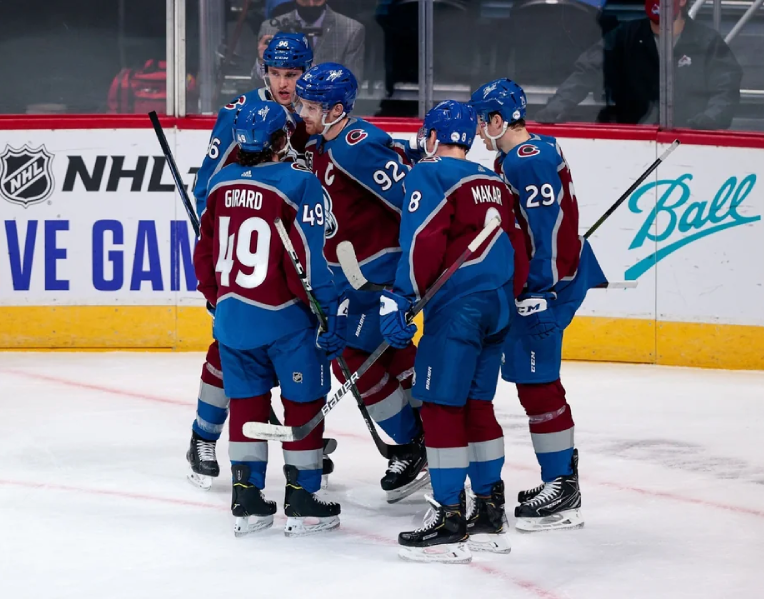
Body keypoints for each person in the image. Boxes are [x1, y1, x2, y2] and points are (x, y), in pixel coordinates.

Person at [380, 100, 529, 564]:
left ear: (432, 136)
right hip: (499, 305)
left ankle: (448, 516)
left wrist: (400, 296)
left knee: (442, 406)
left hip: (459, 310)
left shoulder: (430, 174)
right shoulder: (495, 181)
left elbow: (421, 238)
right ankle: (488, 509)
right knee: (477, 405)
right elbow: (519, 244)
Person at [193, 101, 347, 536]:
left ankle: (246, 496)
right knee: (303, 403)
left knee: (246, 405)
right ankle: (302, 498)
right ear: (282, 140)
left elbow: (203, 254)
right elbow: (308, 262)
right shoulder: (300, 184)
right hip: (285, 321)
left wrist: (217, 298)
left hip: (232, 319)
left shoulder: (221, 184)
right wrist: (327, 313)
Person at [186, 32, 327, 490]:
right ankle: (203, 436)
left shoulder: (312, 111)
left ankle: (300, 443)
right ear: (262, 70)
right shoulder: (238, 114)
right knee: (229, 347)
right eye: (276, 74)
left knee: (289, 348)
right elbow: (207, 186)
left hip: (286, 250)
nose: (284, 84)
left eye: (293, 74)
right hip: (242, 250)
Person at [471, 78, 608, 532]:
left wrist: (537, 291)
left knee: (538, 384)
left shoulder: (524, 163)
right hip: (548, 281)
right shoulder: (535, 149)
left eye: (480, 119)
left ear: (496, 120)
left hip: (543, 291)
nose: (475, 128)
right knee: (534, 382)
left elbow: (545, 232)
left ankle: (563, 489)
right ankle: (561, 481)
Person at [295, 62, 429, 503]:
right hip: (350, 278)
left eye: (311, 105)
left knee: (353, 359)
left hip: (378, 278)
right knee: (387, 357)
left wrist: (403, 282)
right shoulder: (323, 144)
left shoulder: (355, 147)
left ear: (336, 109)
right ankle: (432, 434)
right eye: (302, 103)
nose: (303, 112)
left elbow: (413, 202)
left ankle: (413, 445)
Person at [534, 0, 742, 129]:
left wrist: (708, 121)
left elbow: (726, 88)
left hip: (689, 143)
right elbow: (586, 72)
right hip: (633, 142)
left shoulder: (706, 42)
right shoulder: (625, 37)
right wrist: (557, 107)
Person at [255, 0, 365, 85]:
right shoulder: (271, 28)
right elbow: (257, 85)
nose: (311, 4)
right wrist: (262, 62)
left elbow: (353, 85)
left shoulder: (351, 30)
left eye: (317, 0)